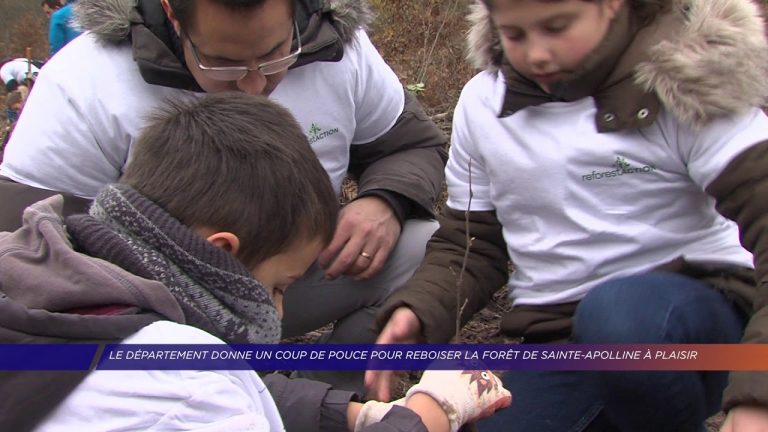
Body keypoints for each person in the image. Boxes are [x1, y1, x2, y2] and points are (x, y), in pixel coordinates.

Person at [0, 0, 447, 392]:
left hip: (283, 282)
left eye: (275, 54)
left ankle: (331, 395)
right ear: (173, 12)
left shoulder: (338, 47)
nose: (255, 85)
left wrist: (386, 200)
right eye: (223, 63)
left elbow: (412, 144)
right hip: (145, 314)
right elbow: (29, 251)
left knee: (423, 246)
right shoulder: (84, 83)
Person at [0, 92, 511, 432]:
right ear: (222, 251)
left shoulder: (40, 268)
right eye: (280, 287)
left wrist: (355, 416)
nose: (281, 314)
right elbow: (204, 391)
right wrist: (430, 412)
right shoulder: (184, 389)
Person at [367, 0, 768, 430]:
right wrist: (421, 308)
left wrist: (758, 396)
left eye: (557, 27)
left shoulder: (686, 80)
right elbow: (472, 242)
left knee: (618, 318)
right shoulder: (483, 104)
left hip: (693, 317)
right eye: (515, 35)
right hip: (563, 339)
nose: (536, 53)